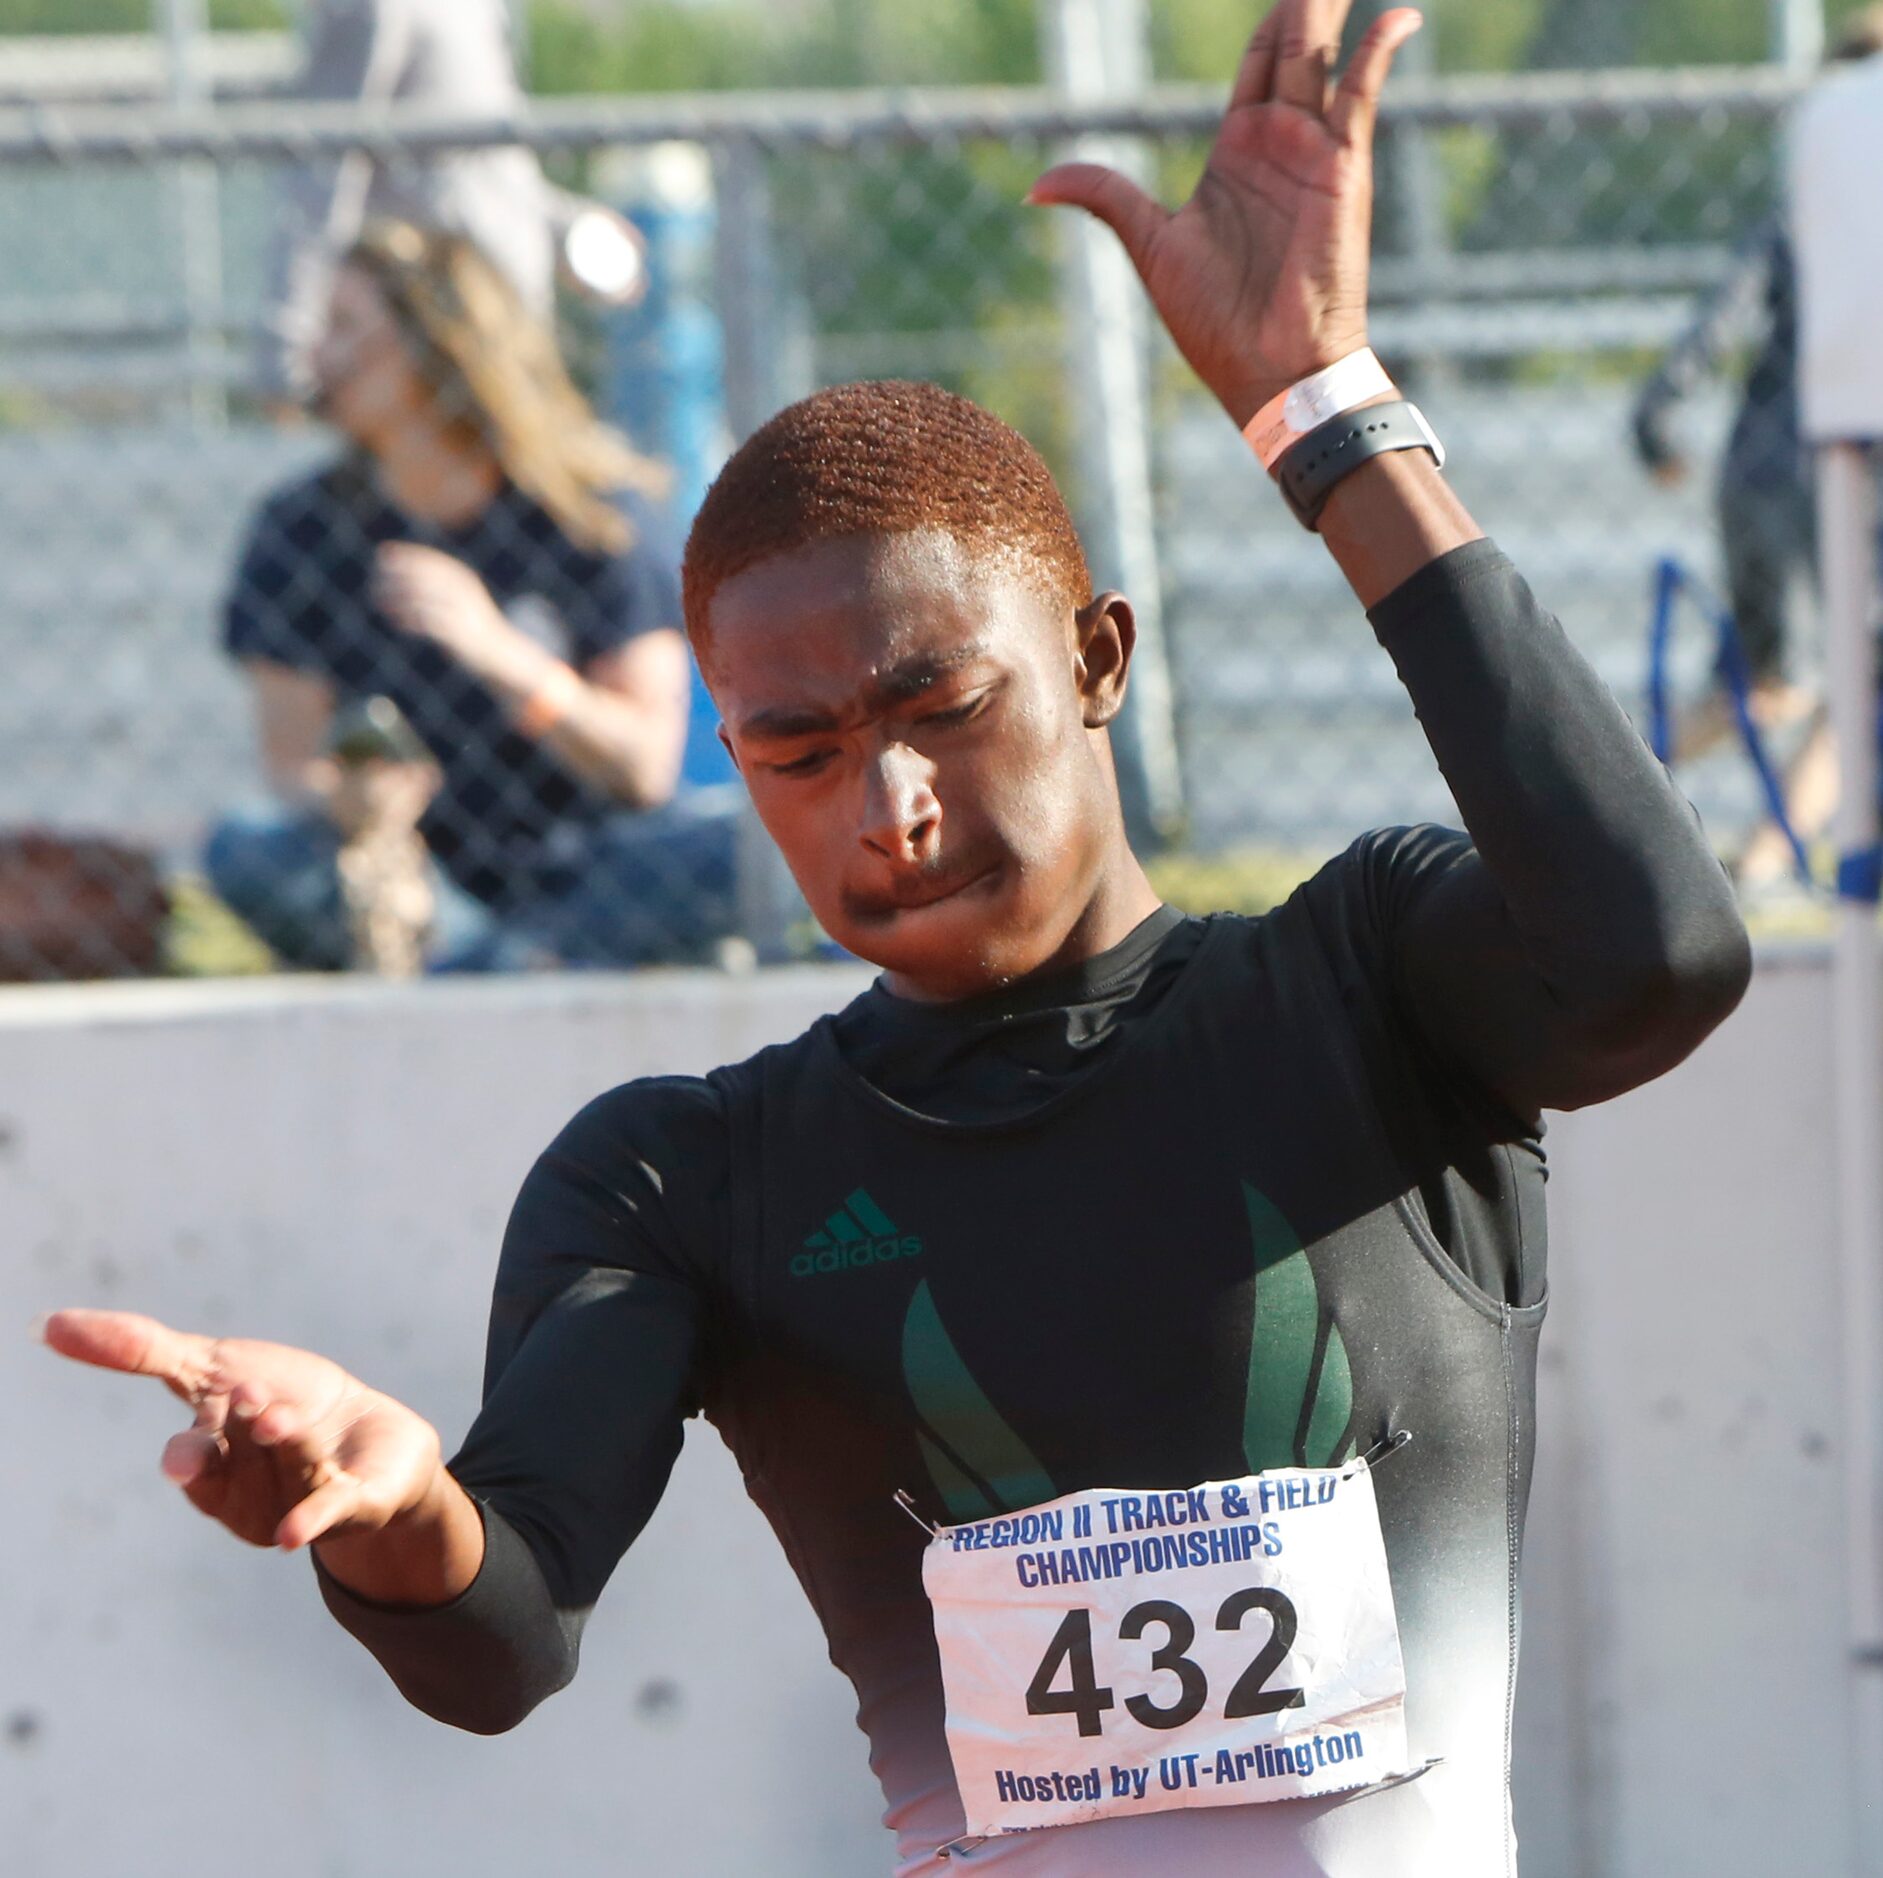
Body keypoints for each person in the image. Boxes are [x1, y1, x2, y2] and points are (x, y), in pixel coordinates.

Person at [46, 2, 1749, 1869]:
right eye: (799, 749)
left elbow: (1652, 954)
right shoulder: (688, 1175)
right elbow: (500, 1622)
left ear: (1098, 658)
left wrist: (1320, 408)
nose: (890, 802)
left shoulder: (1359, 985)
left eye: (942, 706)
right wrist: (388, 1504)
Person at [209, 220, 736, 973]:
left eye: (346, 326)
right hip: (404, 875)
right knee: (244, 848)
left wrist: (498, 652)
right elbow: (291, 764)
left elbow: (644, 770)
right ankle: (484, 961)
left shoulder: (593, 519)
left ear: (436, 340)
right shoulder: (298, 533)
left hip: (584, 867)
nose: (317, 355)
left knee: (735, 850)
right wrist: (355, 800)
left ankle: (497, 961)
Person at [1632, 6, 1883, 884]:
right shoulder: (1826, 216)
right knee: (1809, 685)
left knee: (1768, 682)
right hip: (1834, 479)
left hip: (1759, 473)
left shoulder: (1805, 211)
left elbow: (1720, 316)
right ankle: (1585, 795)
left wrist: (1658, 414)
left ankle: (1755, 857)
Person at [258, 0, 646, 409]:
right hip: (431, 333)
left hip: (505, 319)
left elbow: (494, 175)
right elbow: (322, 173)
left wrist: (571, 231)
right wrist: (286, 345)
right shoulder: (368, 8)